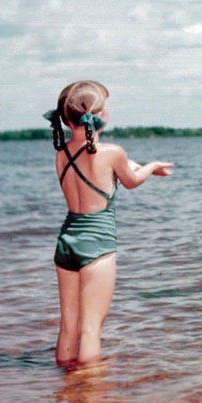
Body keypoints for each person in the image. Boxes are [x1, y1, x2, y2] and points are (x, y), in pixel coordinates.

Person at [44, 81, 173, 365]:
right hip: (97, 246)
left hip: (66, 243)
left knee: (68, 327)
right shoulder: (113, 152)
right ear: (100, 114)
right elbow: (130, 181)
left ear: (66, 119)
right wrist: (151, 167)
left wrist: (136, 165)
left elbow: (104, 168)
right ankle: (89, 395)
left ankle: (66, 387)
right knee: (91, 329)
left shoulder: (61, 154)